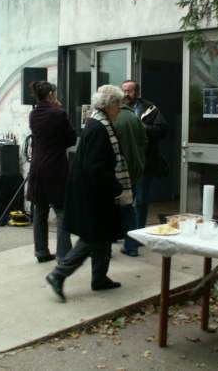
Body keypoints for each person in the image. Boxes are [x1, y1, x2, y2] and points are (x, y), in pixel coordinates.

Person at [46, 85, 132, 302]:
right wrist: (116, 186)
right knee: (92, 238)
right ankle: (59, 273)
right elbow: (95, 167)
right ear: (110, 105)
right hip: (94, 195)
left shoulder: (98, 123)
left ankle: (99, 278)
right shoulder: (98, 128)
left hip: (96, 193)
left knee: (104, 236)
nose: (119, 109)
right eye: (118, 105)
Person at [27, 81, 77, 263]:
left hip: (37, 167)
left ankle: (41, 251)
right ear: (50, 95)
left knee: (40, 210)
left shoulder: (33, 114)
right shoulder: (58, 113)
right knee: (62, 211)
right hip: (55, 167)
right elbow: (71, 138)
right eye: (55, 94)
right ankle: (64, 254)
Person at [121, 80, 168, 232]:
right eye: (124, 91)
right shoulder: (117, 107)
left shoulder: (149, 108)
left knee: (140, 200)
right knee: (122, 200)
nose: (126, 94)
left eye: (129, 91)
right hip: (123, 163)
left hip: (144, 163)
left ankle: (138, 233)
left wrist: (141, 127)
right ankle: (122, 232)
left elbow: (162, 130)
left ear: (137, 92)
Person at [114, 97, 147, 257]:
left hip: (117, 172)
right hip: (134, 171)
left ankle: (106, 247)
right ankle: (131, 246)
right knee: (129, 209)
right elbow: (144, 141)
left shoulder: (112, 118)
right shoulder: (135, 118)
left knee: (111, 209)